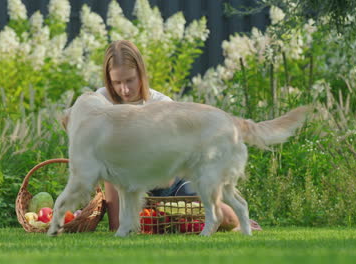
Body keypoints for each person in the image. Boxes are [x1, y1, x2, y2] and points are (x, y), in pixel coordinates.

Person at [97, 40, 261, 232]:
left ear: (141, 74)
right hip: (122, 181)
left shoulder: (162, 105)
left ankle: (238, 219)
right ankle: (126, 222)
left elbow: (166, 176)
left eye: (130, 80)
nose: (124, 89)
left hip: (168, 182)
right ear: (108, 80)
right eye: (117, 82)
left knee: (226, 218)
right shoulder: (101, 101)